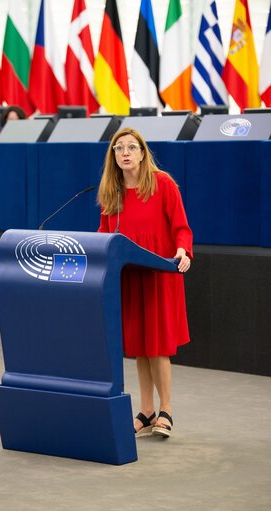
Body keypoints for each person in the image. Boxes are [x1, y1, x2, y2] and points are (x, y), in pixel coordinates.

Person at [97, 127, 193, 439]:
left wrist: (183, 251)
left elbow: (182, 227)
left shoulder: (163, 184)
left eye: (131, 147)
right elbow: (104, 234)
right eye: (119, 148)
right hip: (130, 276)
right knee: (140, 345)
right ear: (114, 156)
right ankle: (147, 410)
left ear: (142, 152)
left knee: (158, 346)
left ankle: (165, 411)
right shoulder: (112, 192)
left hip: (159, 273)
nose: (125, 153)